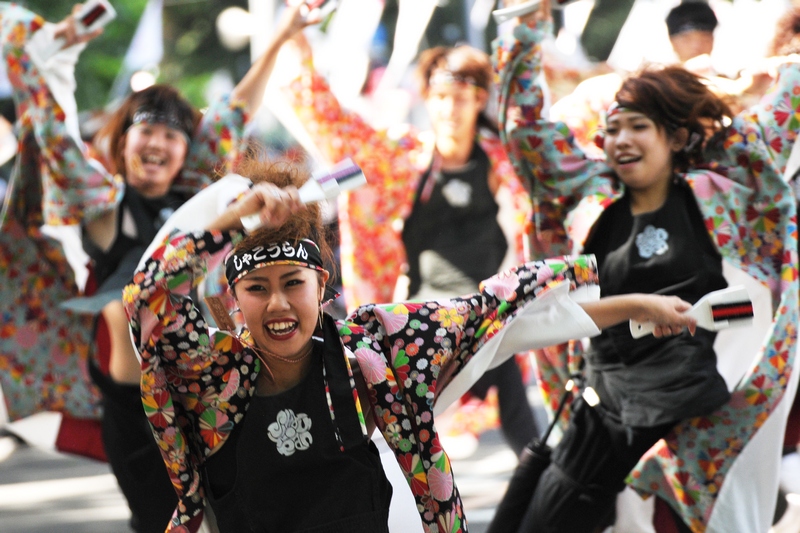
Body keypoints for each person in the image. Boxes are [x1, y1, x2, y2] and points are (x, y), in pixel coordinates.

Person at [123, 151, 699, 532]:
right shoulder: (210, 374)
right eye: (257, 288)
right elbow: (147, 297)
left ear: (322, 286)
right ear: (230, 301)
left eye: (292, 284)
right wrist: (235, 217)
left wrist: (634, 304)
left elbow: (499, 319)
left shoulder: (371, 354)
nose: (277, 304)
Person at [0, 3, 319, 532]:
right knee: (160, 522)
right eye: (145, 130)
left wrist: (284, 33)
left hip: (201, 389)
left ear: (185, 150)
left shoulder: (198, 202)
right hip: (134, 408)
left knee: (231, 517)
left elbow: (234, 110)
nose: (158, 142)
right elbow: (54, 140)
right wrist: (48, 61)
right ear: (122, 141)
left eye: (173, 135)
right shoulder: (105, 207)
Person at [489, 0, 799, 532]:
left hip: (698, 417)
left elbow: (789, 100)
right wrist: (524, 20)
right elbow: (524, 123)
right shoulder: (585, 192)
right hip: (606, 410)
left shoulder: (723, 192)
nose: (622, 140)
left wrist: (743, 83)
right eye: (613, 129)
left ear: (676, 138)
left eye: (639, 127)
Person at [280, 23, 539, 456]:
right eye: (439, 98)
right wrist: (292, 41)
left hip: (489, 313)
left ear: (479, 100)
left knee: (515, 400)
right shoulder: (401, 159)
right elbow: (334, 125)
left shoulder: (506, 162)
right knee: (390, 430)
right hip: (421, 316)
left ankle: (544, 491)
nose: (449, 109)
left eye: (460, 98)